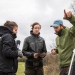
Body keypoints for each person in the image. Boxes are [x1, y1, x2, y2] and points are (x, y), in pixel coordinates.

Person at [51, 10, 75, 75]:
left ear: (62, 26)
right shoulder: (57, 38)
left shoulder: (70, 32)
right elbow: (60, 49)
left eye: (56, 27)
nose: (55, 29)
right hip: (62, 66)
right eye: (54, 28)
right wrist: (55, 50)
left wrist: (70, 18)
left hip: (71, 65)